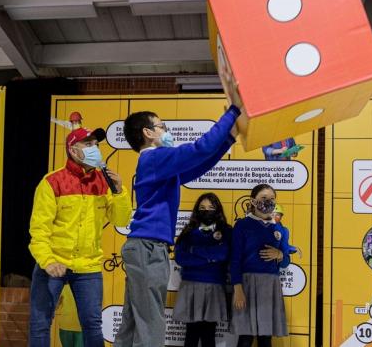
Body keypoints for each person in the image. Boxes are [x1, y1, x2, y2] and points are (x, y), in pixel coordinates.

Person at [114, 105, 239, 347]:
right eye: (163, 126)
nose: (167, 131)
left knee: (132, 322)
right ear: (148, 133)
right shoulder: (154, 158)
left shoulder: (159, 165)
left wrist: (229, 139)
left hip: (143, 248)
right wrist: (232, 112)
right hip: (148, 249)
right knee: (150, 323)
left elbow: (199, 163)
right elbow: (199, 148)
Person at [27, 127, 132, 347]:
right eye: (88, 144)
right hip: (53, 263)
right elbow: (39, 230)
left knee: (93, 324)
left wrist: (120, 192)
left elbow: (121, 220)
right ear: (73, 150)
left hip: (88, 266)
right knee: (40, 324)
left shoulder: (104, 182)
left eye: (96, 144)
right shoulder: (52, 182)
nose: (95, 149)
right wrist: (47, 261)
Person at [230, 184, 290, 347]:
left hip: (270, 286)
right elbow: (235, 259)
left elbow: (285, 262)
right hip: (247, 284)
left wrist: (280, 255)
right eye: (264, 198)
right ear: (253, 201)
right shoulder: (242, 225)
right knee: (246, 337)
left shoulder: (279, 228)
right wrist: (238, 289)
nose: (268, 202)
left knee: (265, 337)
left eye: (272, 199)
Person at [173, 193, 232, 347]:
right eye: (202, 208)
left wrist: (194, 250)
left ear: (217, 210)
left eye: (211, 208)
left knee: (208, 334)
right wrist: (210, 258)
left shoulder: (226, 230)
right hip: (190, 286)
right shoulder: (188, 231)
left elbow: (223, 254)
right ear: (197, 210)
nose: (207, 211)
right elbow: (180, 257)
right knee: (191, 334)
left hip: (214, 286)